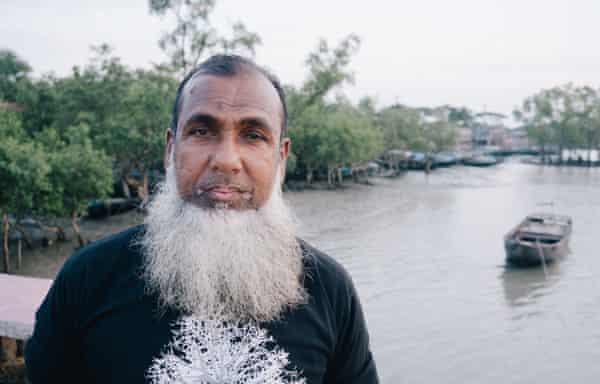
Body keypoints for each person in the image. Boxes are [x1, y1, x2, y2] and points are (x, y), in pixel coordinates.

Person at [25, 54, 378, 384]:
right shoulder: (87, 279)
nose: (226, 160)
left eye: (253, 135)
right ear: (171, 147)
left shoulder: (330, 291)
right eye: (201, 131)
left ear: (280, 157)